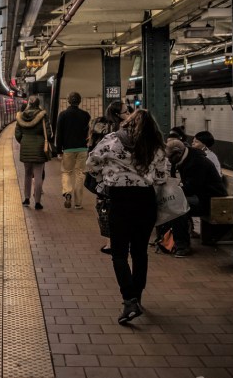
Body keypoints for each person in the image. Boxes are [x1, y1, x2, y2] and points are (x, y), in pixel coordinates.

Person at [86, 109, 168, 324]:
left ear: (129, 123)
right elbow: (161, 177)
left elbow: (91, 163)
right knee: (140, 252)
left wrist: (103, 177)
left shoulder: (112, 139)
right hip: (146, 200)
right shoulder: (156, 145)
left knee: (119, 253)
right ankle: (137, 297)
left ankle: (129, 299)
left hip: (119, 200)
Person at [161, 138, 227, 257]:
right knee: (169, 202)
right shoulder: (184, 159)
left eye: (170, 157)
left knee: (178, 207)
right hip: (200, 195)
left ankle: (182, 246)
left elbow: (192, 188)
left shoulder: (197, 162)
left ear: (178, 153)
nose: (169, 160)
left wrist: (173, 192)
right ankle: (168, 239)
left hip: (211, 199)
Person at [87, 101, 131, 254]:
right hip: (121, 180)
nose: (129, 114)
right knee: (119, 211)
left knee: (107, 210)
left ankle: (110, 243)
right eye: (126, 112)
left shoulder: (100, 128)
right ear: (118, 114)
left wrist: (99, 177)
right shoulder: (120, 133)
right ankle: (119, 242)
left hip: (107, 179)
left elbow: (92, 159)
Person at [14, 95, 53, 210]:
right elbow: (48, 133)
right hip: (39, 148)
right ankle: (37, 202)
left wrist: (24, 141)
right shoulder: (43, 115)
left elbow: (17, 134)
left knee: (27, 174)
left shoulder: (21, 116)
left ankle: (26, 199)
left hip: (26, 147)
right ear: (38, 104)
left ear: (28, 103)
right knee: (38, 175)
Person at [55, 91, 91, 209]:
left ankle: (67, 192)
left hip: (68, 149)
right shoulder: (86, 115)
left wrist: (58, 150)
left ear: (68, 101)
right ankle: (78, 203)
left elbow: (59, 134)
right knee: (80, 174)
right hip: (82, 148)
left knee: (67, 172)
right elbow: (87, 132)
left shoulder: (63, 115)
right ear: (79, 101)